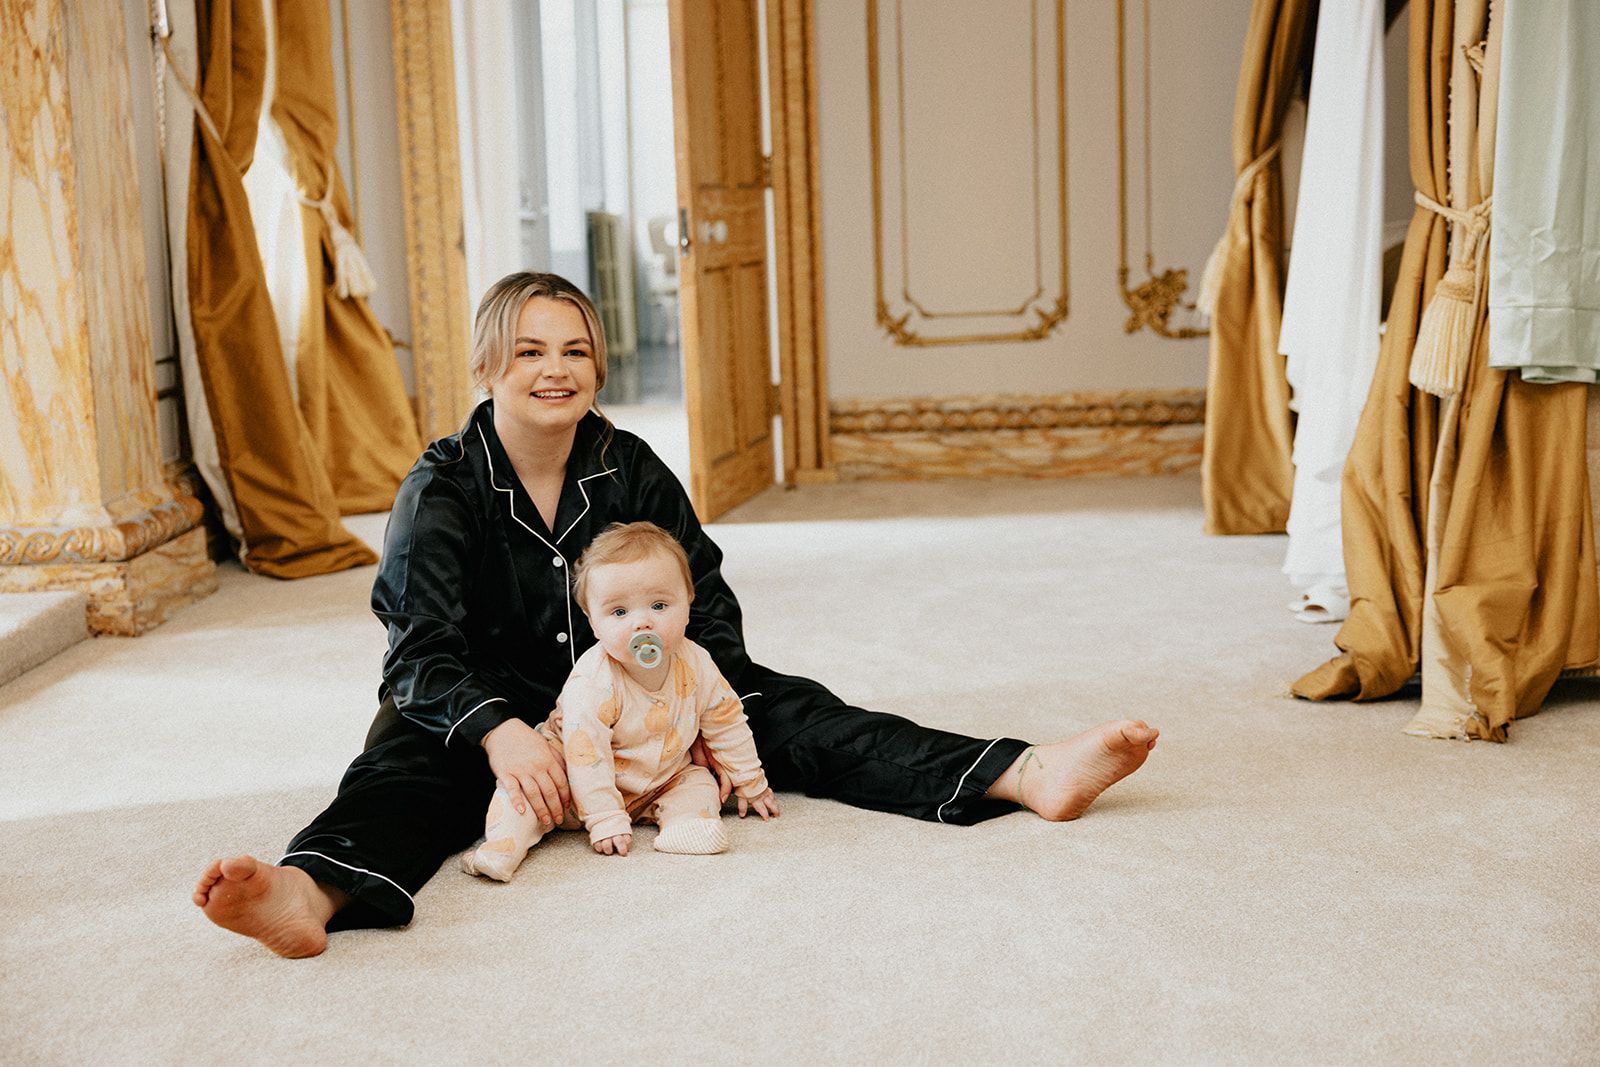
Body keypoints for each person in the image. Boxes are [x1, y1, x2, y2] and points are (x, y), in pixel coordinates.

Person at [193, 271, 1160, 958]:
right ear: (489, 364)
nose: (555, 368)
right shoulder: (439, 486)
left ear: (599, 366)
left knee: (794, 713)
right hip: (492, 707)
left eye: (575, 349)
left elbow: (707, 593)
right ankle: (306, 890)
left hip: (649, 685)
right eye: (529, 350)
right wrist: (499, 734)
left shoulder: (631, 464)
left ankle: (1025, 773)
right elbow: (419, 648)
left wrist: (698, 702)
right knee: (405, 766)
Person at [460, 520, 778, 881]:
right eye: (619, 612)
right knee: (522, 795)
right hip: (574, 783)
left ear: (689, 601)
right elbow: (586, 755)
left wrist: (751, 780)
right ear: (593, 622)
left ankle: (685, 824)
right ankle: (501, 847)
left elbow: (726, 720)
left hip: (661, 776)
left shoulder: (698, 663)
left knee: (698, 783)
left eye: (659, 605)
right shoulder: (593, 681)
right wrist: (604, 818)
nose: (642, 623)